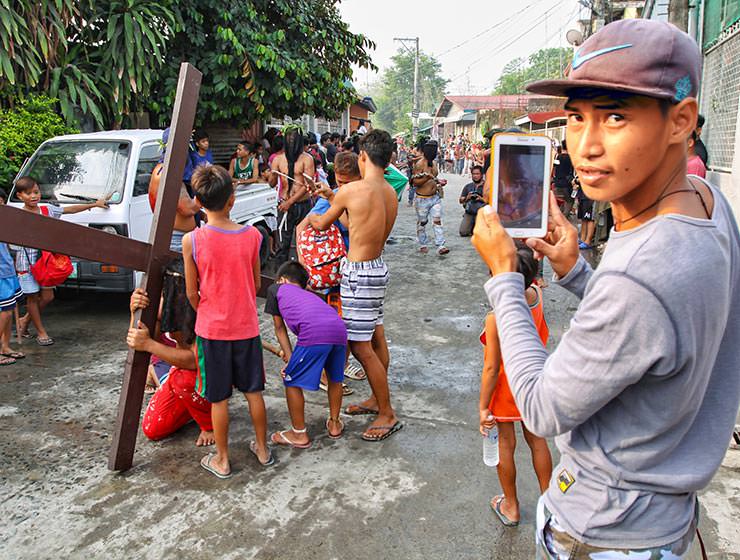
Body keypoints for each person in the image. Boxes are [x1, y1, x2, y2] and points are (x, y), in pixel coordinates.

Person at [472, 18, 740, 556]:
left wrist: (504, 277)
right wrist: (576, 272)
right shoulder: (706, 199)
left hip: (608, 530)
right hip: (659, 513)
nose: (586, 146)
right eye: (576, 118)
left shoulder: (642, 268)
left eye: (616, 116)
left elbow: (544, 408)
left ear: (680, 121)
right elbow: (654, 336)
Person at [308, 129, 401, 441]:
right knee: (375, 336)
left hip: (359, 273)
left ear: (363, 156)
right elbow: (356, 224)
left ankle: (387, 412)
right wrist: (333, 197)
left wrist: (312, 216)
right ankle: (378, 400)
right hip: (376, 268)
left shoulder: (354, 190)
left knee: (361, 348)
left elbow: (322, 223)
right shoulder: (389, 192)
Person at [182, 165, 272, 477]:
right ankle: (261, 449)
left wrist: (207, 308)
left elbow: (192, 293)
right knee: (253, 392)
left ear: (197, 201)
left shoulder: (192, 240)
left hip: (212, 331)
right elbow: (256, 282)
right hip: (246, 327)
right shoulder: (253, 236)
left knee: (218, 398)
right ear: (232, 200)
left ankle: (222, 459)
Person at [479, 246, 553, 527]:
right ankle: (550, 505)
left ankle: (511, 506)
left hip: (508, 389)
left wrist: (483, 405)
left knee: (506, 445)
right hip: (536, 379)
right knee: (537, 442)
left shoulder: (495, 318)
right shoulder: (536, 296)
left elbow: (491, 368)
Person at [13, 176, 108, 346]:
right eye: (28, 193)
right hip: (25, 261)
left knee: (48, 297)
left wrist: (94, 204)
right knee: (32, 298)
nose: (34, 196)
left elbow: (69, 210)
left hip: (46, 259)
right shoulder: (16, 215)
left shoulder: (46, 209)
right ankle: (41, 332)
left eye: (36, 192)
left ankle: (25, 320)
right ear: (20, 196)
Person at [264, 261, 348, 447]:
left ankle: (298, 433)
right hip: (339, 330)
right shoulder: (310, 296)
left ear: (282, 279)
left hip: (314, 333)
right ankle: (334, 424)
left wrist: (289, 356)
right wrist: (292, 358)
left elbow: (279, 328)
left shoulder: (275, 288)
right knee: (335, 379)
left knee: (291, 380)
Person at [126, 288, 214, 446]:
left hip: (209, 372)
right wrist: (136, 312)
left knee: (182, 379)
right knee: (153, 428)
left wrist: (149, 344)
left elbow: (195, 361)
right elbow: (140, 339)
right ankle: (194, 406)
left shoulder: (199, 298)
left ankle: (209, 424)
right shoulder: (161, 297)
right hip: (177, 369)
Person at [269, 126, 315, 262]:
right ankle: (281, 277)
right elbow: (271, 184)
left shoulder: (307, 159)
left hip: (303, 204)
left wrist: (290, 202)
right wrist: (272, 174)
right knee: (283, 244)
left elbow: (308, 186)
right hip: (284, 204)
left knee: (305, 240)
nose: (291, 141)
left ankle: (305, 274)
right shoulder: (277, 160)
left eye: (294, 139)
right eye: (289, 138)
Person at [412, 140, 450, 255]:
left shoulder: (433, 163)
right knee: (422, 222)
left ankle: (440, 245)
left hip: (435, 198)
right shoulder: (419, 164)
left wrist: (439, 181)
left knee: (437, 221)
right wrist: (427, 177)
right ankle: (423, 243)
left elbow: (433, 177)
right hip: (422, 199)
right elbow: (414, 182)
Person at [0, 188, 24, 365]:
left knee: (10, 308)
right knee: (5, 312)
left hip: (8, 270)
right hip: (1, 274)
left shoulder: (6, 220)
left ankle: (5, 346)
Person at [459, 165, 486, 237]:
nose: (475, 176)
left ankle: (477, 225)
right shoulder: (468, 186)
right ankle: (471, 224)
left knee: (480, 234)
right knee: (463, 232)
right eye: (473, 174)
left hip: (481, 212)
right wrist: (467, 198)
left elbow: (490, 201)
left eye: (477, 174)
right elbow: (461, 200)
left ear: (482, 175)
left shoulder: (487, 186)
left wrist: (481, 198)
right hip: (470, 212)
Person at [552, 140, 575, 216]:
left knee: (560, 202)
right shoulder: (571, 158)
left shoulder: (558, 156)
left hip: (557, 184)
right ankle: (564, 219)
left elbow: (554, 168)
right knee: (569, 202)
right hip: (567, 184)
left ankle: (558, 218)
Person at [574, 175, 595, 250]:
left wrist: (581, 180)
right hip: (582, 194)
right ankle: (582, 239)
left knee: (590, 218)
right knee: (583, 218)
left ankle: (587, 241)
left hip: (591, 195)